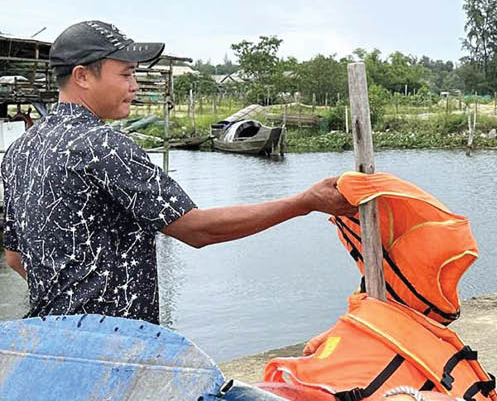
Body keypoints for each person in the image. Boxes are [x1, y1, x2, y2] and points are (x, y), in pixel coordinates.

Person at [1, 20, 356, 324]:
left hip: (49, 338)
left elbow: (15, 258)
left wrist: (72, 296)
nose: (134, 85)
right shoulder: (103, 146)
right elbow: (196, 229)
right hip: (114, 344)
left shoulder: (20, 150)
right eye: (125, 74)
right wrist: (304, 202)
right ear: (82, 76)